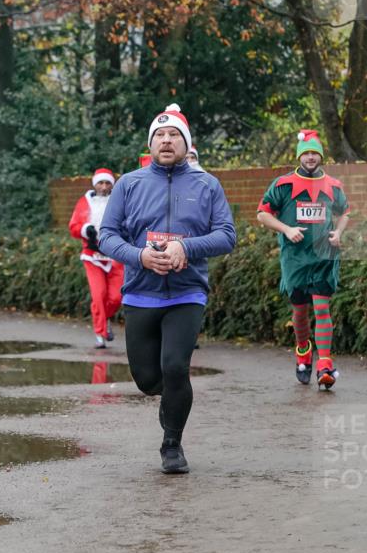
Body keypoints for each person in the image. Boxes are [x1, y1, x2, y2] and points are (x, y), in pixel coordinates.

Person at [99, 104, 236, 474]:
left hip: (186, 293)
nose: (166, 140)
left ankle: (171, 444)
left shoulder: (207, 185)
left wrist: (185, 248)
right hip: (140, 292)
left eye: (174, 134)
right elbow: (106, 236)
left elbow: (227, 235)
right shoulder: (129, 183)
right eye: (160, 135)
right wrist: (140, 256)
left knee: (175, 367)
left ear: (186, 143)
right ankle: (172, 397)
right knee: (147, 379)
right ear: (150, 143)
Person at [256, 129, 350, 390]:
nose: (310, 157)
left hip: (324, 254)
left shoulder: (333, 185)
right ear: (299, 156)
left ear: (321, 156)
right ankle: (303, 350)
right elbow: (262, 215)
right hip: (295, 258)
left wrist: (338, 232)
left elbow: (345, 213)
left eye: (314, 153)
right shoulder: (283, 184)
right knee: (300, 312)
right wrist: (286, 229)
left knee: (322, 308)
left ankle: (325, 365)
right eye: (306, 153)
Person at [68, 168, 125, 348]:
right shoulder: (84, 202)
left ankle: (104, 318)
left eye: (107, 183)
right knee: (99, 295)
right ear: (95, 184)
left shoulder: (119, 201)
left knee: (116, 297)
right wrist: (86, 229)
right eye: (100, 183)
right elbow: (74, 227)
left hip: (115, 256)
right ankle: (100, 333)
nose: (104, 186)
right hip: (92, 256)